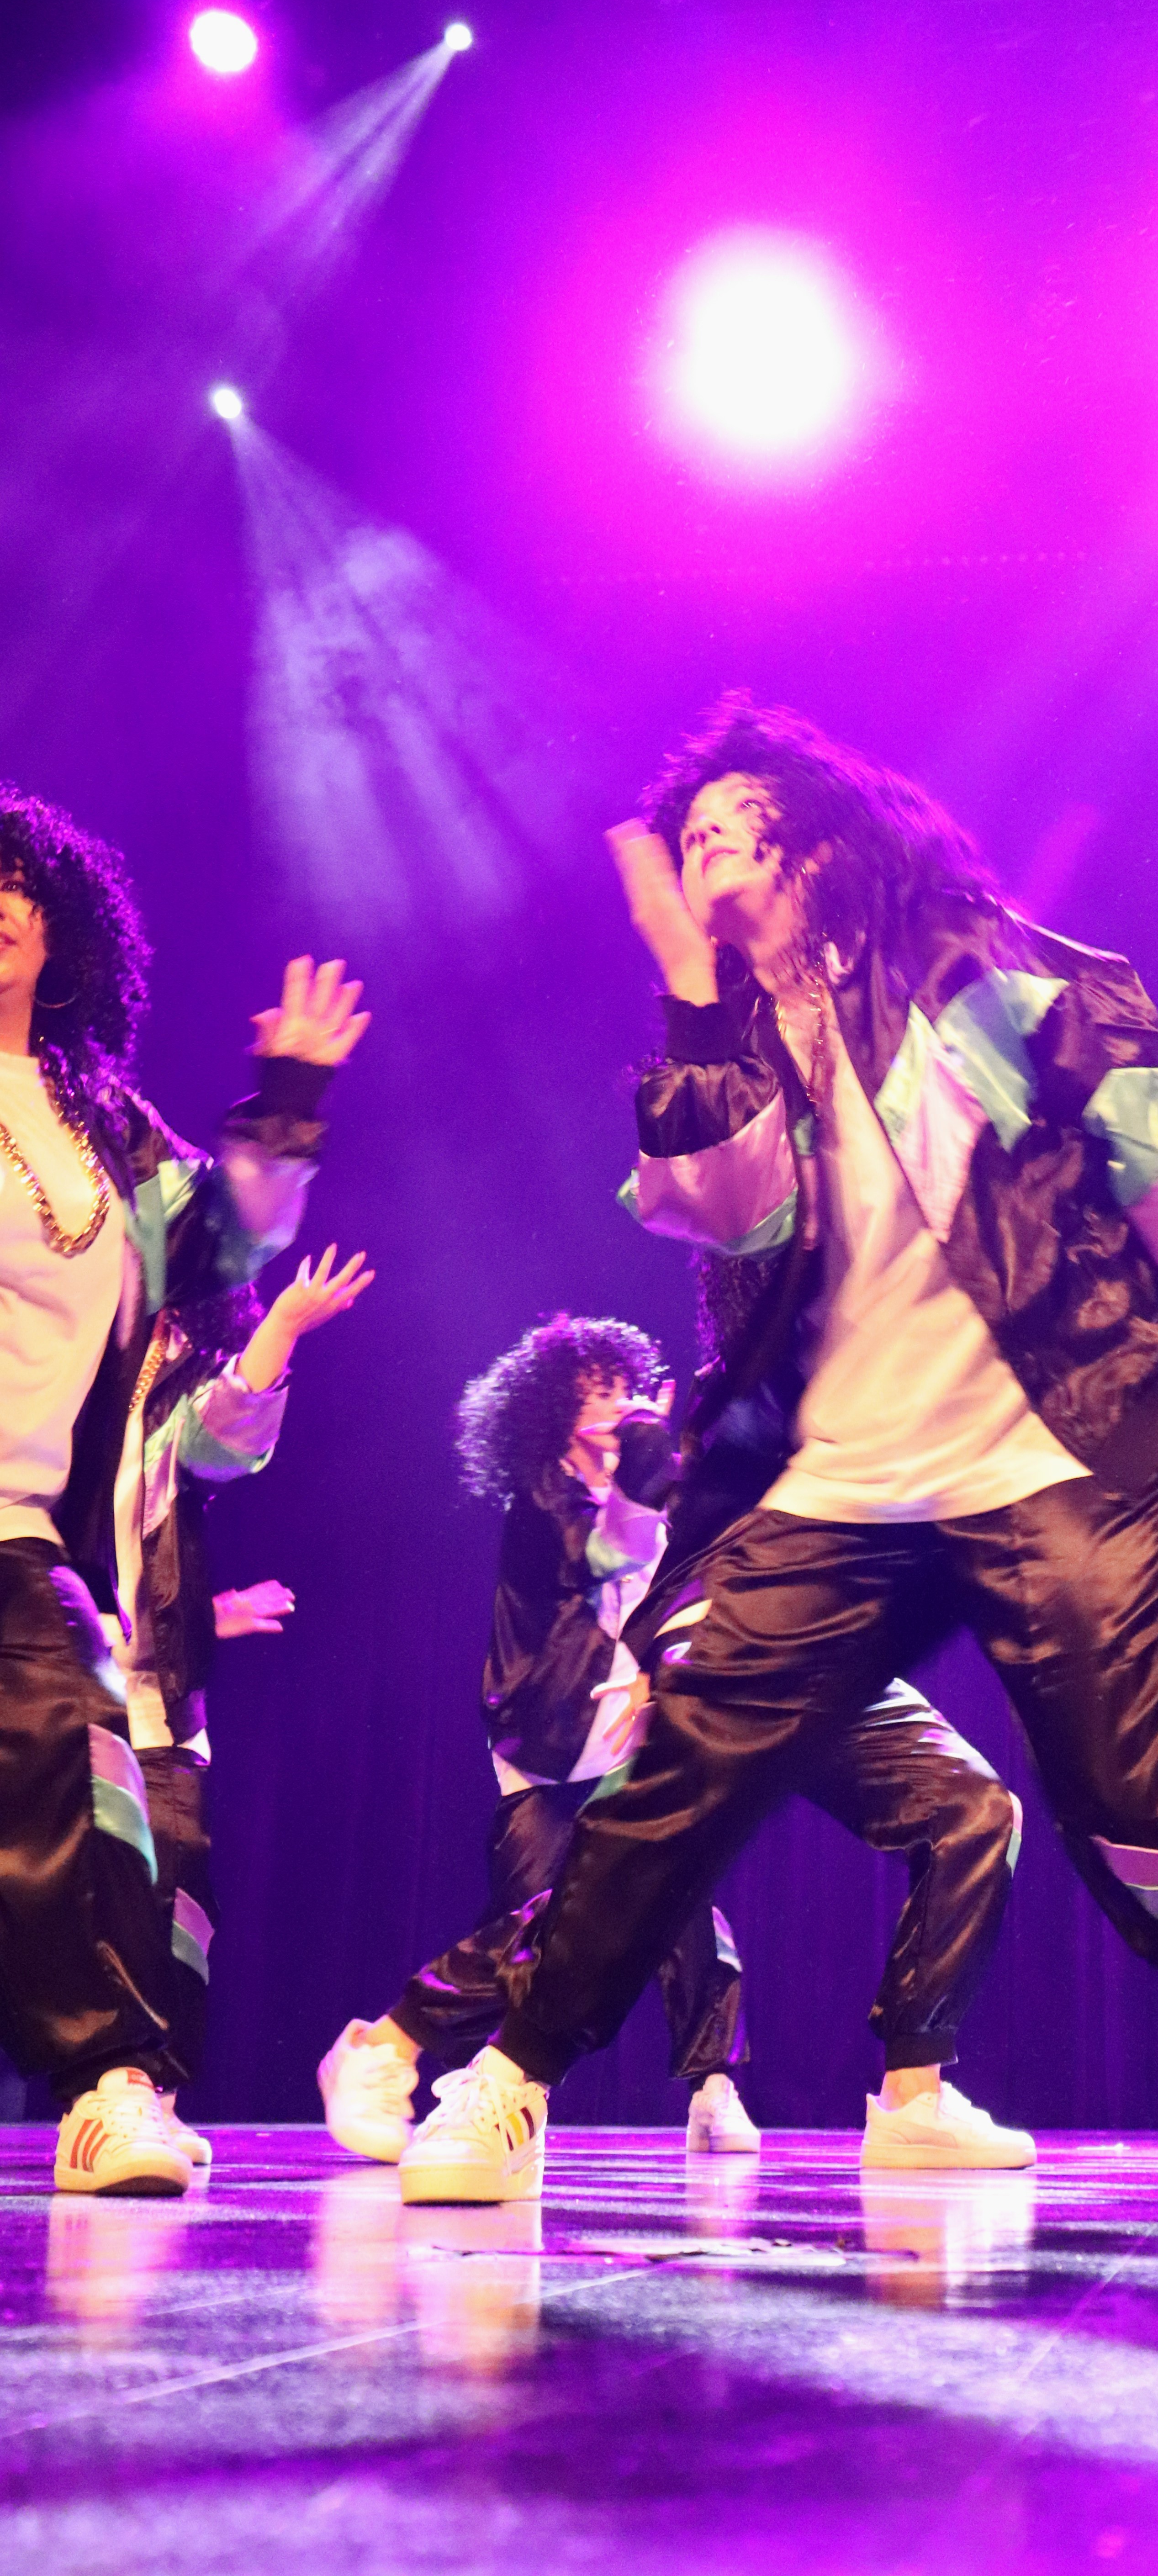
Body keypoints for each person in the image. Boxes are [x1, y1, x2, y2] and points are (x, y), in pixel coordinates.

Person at [396, 697, 1158, 2219]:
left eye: (742, 826)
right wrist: (690, 990)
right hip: (849, 1474)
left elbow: (1144, 1117)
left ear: (821, 844)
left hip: (1058, 1451)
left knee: (1133, 1816)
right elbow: (723, 1212)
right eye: (692, 839)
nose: (712, 852)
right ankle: (511, 2079)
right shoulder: (741, 1034)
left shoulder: (964, 964)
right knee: (685, 1770)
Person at [321, 1313, 1028, 2188]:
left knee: (973, 1814)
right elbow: (629, 1551)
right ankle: (415, 2051)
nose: (617, 1407)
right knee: (606, 1900)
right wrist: (665, 1642)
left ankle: (893, 2095)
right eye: (598, 1394)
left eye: (625, 1391)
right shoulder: (563, 1493)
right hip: (568, 1749)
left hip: (809, 1648)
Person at [0, 783, 365, 2195]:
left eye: (20, 884)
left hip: (26, 1533)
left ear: (61, 930)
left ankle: (111, 2086)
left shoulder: (102, 1128)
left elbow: (219, 1249)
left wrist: (290, 1101)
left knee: (83, 1754)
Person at [112, 1248, 374, 2174]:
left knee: (177, 1889)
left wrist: (284, 1326)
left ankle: (149, 2092)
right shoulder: (62, 1372)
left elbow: (224, 1431)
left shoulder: (170, 1396)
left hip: (151, 1693)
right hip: (48, 1668)